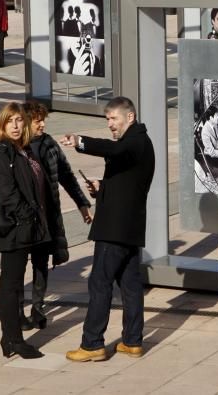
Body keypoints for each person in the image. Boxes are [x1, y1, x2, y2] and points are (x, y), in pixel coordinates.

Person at [61, 97, 155, 362]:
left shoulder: (135, 141)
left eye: (114, 118)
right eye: (108, 120)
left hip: (115, 228)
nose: (110, 124)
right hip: (129, 226)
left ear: (130, 117)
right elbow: (129, 181)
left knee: (99, 282)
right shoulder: (137, 143)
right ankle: (132, 341)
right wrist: (102, 186)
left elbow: (114, 152)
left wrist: (81, 141)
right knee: (130, 284)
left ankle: (92, 344)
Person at [21, 101, 93, 331]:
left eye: (43, 120)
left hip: (45, 216)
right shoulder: (15, 148)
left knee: (41, 262)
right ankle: (16, 311)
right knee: (18, 266)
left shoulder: (50, 144)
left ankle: (38, 307)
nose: (42, 124)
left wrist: (82, 204)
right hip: (22, 218)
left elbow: (67, 176)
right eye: (37, 121)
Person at [0, 103, 49, 360]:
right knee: (10, 285)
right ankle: (13, 339)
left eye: (19, 121)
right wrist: (28, 216)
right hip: (14, 229)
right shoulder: (2, 153)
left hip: (27, 229)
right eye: (9, 121)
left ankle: (10, 337)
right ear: (1, 125)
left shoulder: (24, 151)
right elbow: (7, 192)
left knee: (13, 283)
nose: (15, 125)